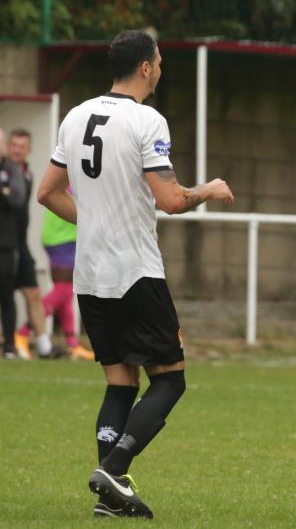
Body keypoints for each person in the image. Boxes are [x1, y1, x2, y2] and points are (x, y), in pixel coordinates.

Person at [37, 29, 234, 519]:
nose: (161, 68)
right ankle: (116, 466)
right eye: (161, 61)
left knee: (120, 383)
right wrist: (207, 189)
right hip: (134, 272)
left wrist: (97, 221)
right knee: (170, 380)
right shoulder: (146, 119)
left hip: (90, 274)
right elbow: (169, 200)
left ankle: (112, 498)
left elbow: (47, 192)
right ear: (146, 67)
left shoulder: (76, 114)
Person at [16, 203, 94, 360]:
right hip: (62, 237)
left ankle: (72, 343)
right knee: (63, 290)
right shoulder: (75, 179)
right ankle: (23, 332)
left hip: (60, 236)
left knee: (67, 292)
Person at [6, 128, 54, 359]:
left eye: (21, 146)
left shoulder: (28, 173)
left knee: (33, 292)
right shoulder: (5, 172)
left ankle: (44, 346)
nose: (17, 149)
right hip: (4, 244)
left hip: (20, 242)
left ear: (29, 150)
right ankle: (10, 345)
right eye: (13, 145)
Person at [0, 134, 26, 359]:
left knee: (7, 295)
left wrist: (7, 192)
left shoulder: (12, 170)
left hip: (6, 243)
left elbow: (17, 199)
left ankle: (9, 345)